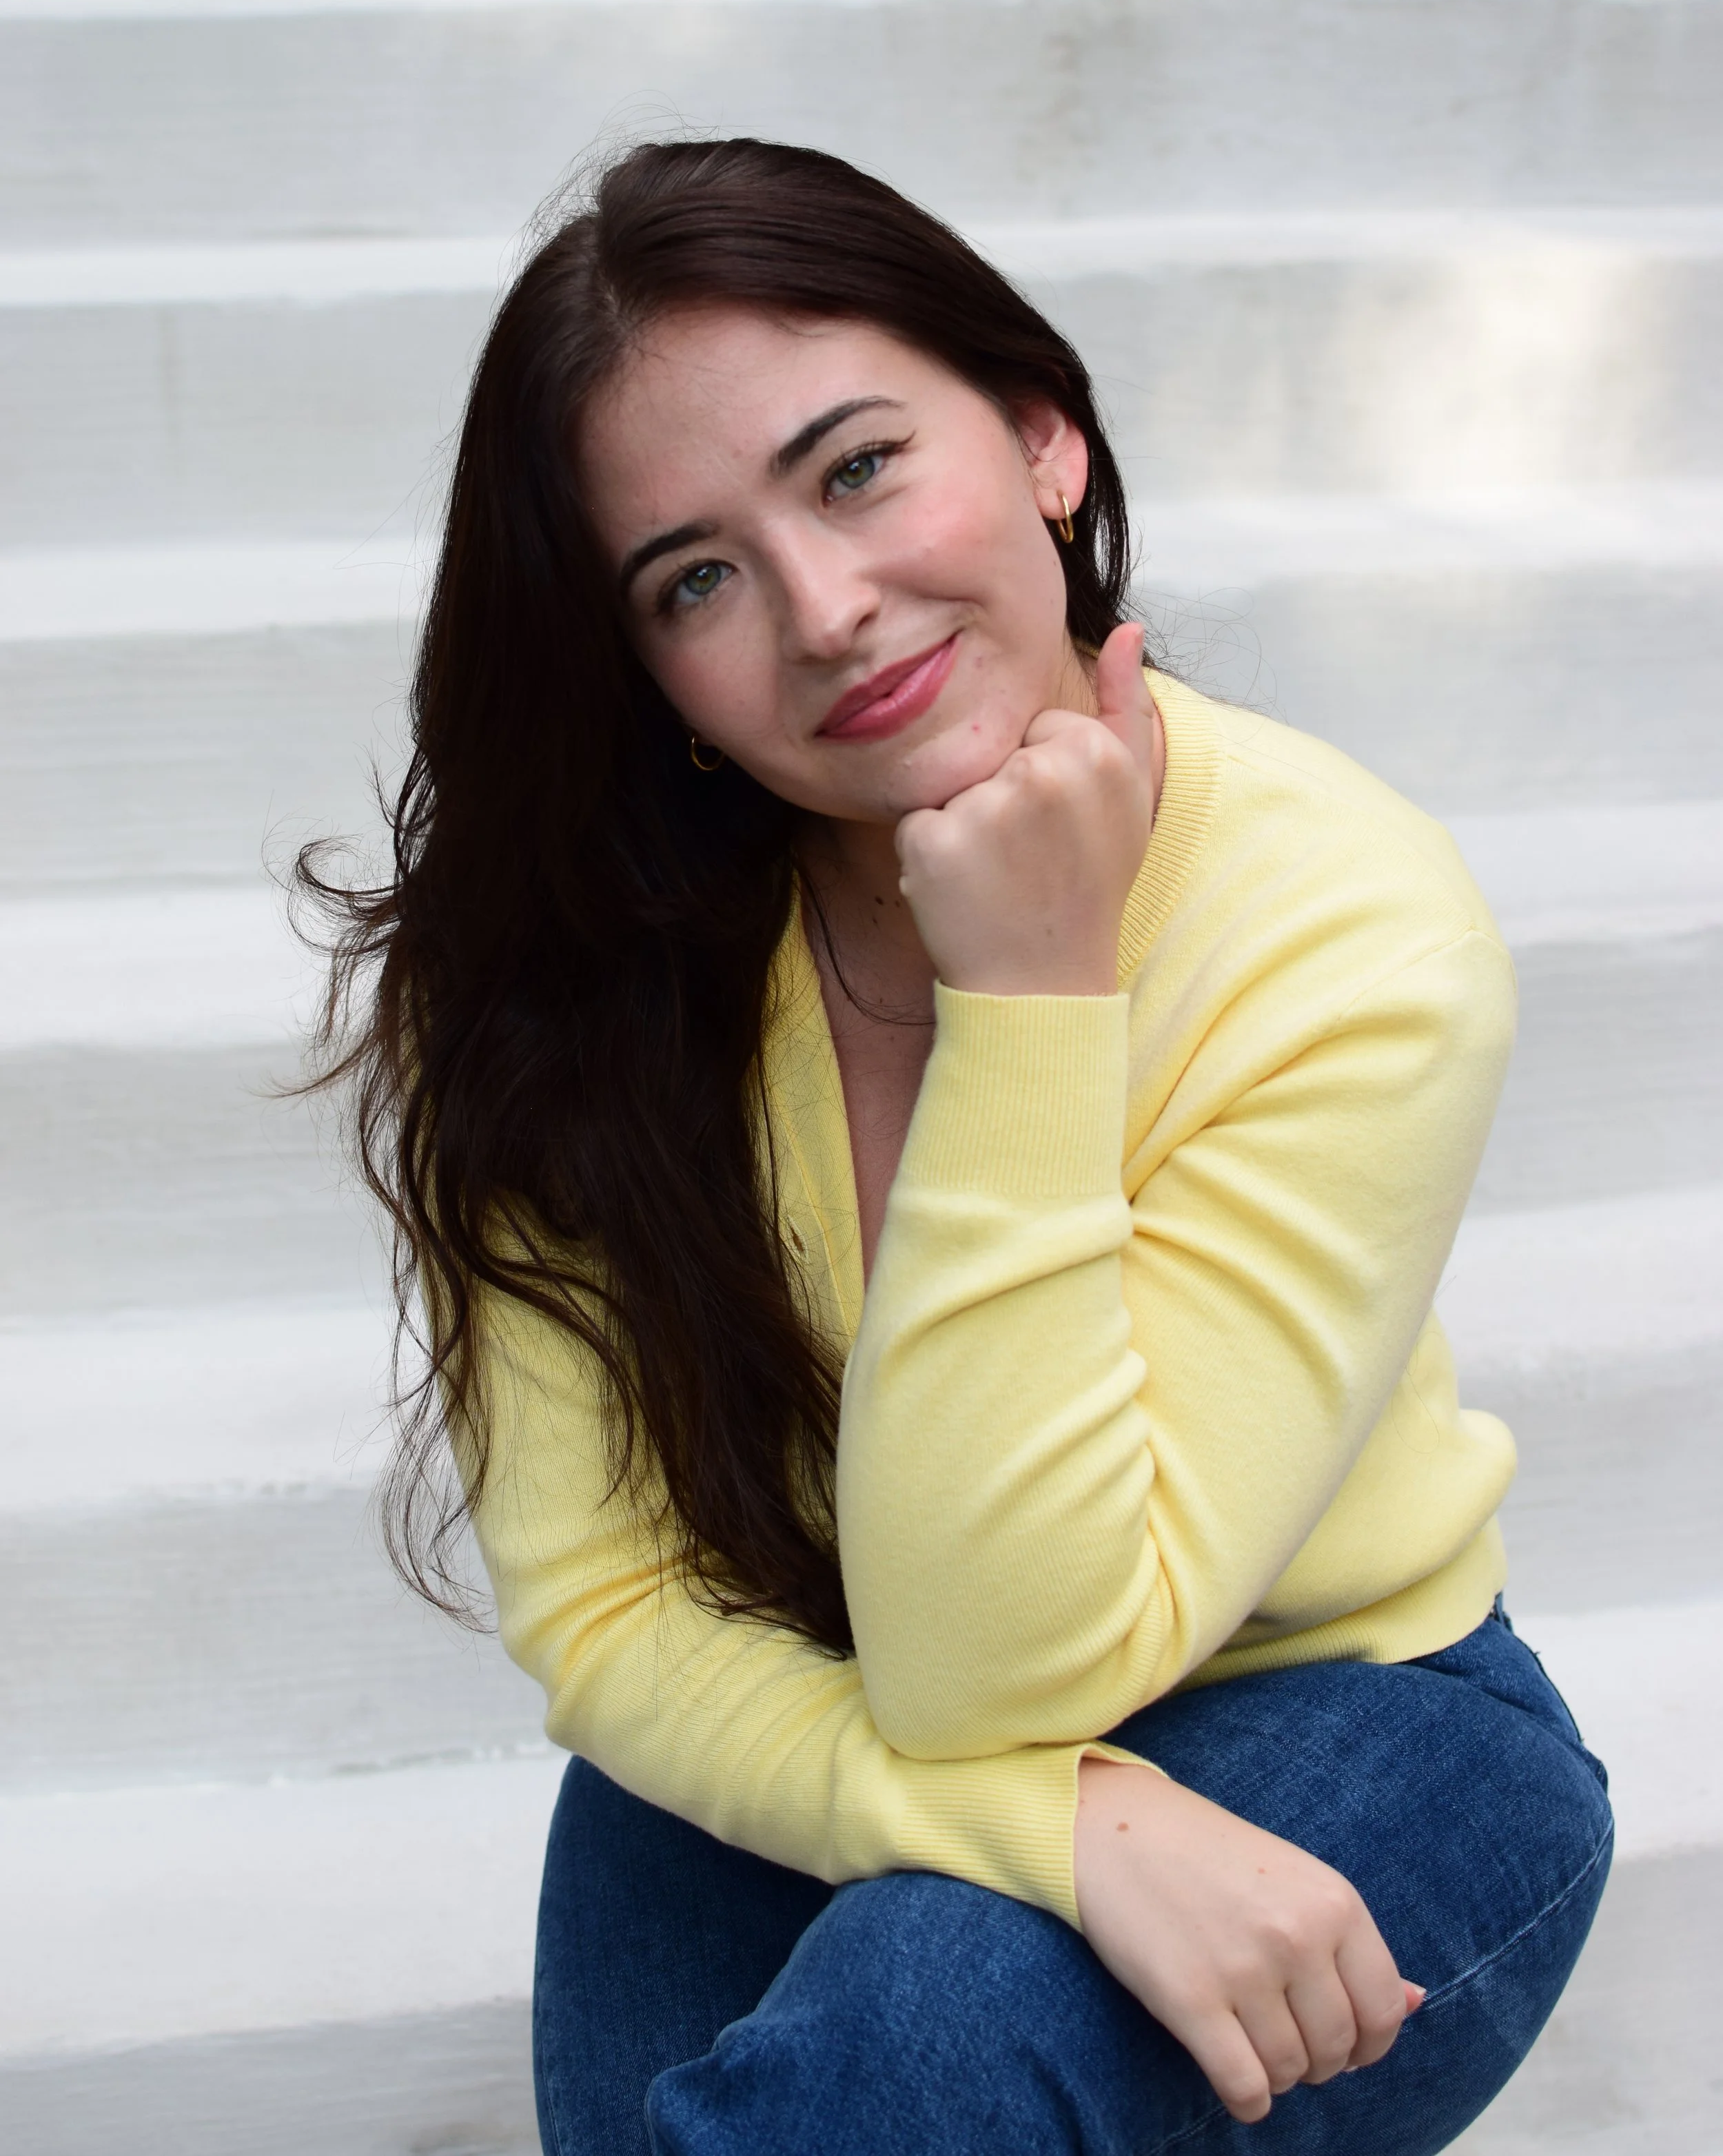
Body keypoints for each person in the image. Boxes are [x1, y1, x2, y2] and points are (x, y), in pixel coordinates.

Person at [304, 138, 1611, 2155]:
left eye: (854, 468)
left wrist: (1028, 998)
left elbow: (1022, 1654)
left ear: (1041, 437)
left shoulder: (1343, 918)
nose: (824, 609)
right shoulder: (563, 975)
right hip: (815, 1704)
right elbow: (614, 1612)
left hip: (1353, 1708)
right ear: (639, 665)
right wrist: (1059, 1829)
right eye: (696, 577)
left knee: (922, 2035)